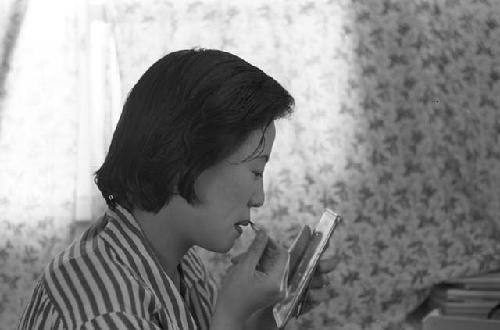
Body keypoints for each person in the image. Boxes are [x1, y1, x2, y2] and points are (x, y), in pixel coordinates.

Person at [18, 48, 335, 329]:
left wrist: (260, 316)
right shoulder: (106, 314)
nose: (259, 198)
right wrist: (230, 316)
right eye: (256, 171)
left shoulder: (177, 261)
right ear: (186, 161)